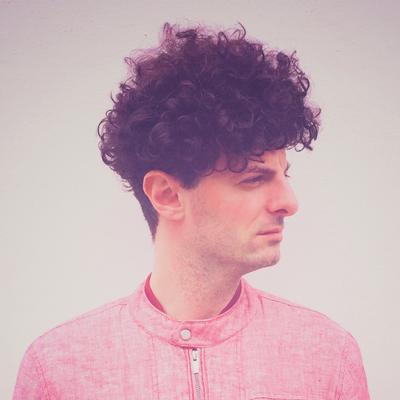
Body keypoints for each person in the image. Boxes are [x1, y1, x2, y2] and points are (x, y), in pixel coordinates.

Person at [13, 22, 370, 399]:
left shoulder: (328, 356)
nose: (289, 203)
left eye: (285, 174)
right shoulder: (58, 370)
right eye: (254, 178)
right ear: (167, 195)